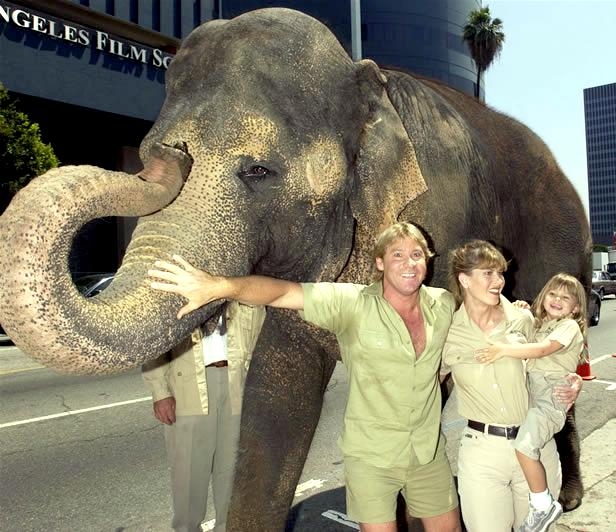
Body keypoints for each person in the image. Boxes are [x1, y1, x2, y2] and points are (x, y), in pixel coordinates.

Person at [147, 222, 462, 532]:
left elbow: (467, 335)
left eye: (416, 255)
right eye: (398, 255)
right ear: (380, 262)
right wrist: (220, 287)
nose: (409, 263)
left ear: (427, 260)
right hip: (372, 457)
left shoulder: (442, 305)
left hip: (427, 451)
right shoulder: (353, 303)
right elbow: (283, 293)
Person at [440, 240, 580, 532]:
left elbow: (550, 359)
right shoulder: (448, 330)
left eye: (500, 273)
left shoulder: (523, 318)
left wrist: (574, 381)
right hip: (482, 453)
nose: (499, 281)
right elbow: (426, 380)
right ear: (464, 280)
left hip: (534, 446)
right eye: (488, 273)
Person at [475, 272, 586, 532]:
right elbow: (525, 331)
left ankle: (542, 504)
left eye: (565, 298)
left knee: (524, 447)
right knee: (524, 445)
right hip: (534, 392)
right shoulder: (541, 324)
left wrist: (502, 350)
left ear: (576, 308)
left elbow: (543, 349)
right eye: (552, 294)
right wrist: (518, 308)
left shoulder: (569, 327)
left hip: (551, 394)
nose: (557, 300)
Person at [142, 302, 265, 532]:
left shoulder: (244, 289)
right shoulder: (177, 292)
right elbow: (154, 343)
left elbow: (261, 341)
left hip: (238, 384)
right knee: (189, 479)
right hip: (188, 387)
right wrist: (160, 392)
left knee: (233, 476)